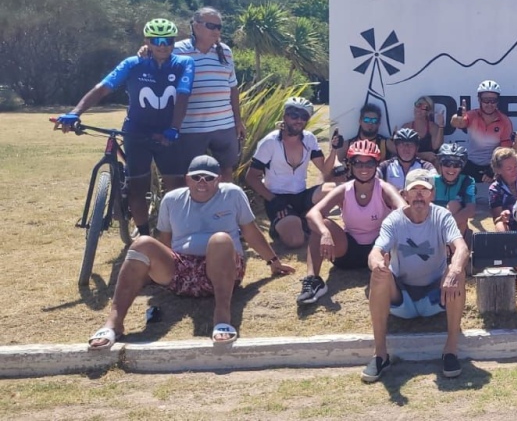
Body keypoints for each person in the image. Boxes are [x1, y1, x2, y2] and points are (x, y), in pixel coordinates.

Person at [86, 155, 294, 349]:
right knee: (142, 243)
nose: (202, 183)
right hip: (182, 270)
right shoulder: (172, 199)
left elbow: (250, 231)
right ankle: (114, 323)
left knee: (220, 239)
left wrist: (273, 261)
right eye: (196, 177)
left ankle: (222, 317)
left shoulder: (233, 194)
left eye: (208, 178)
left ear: (218, 179)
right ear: (187, 179)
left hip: (223, 269)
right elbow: (164, 242)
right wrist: (151, 271)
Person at [56, 18, 194, 236]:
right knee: (137, 188)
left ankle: (177, 234)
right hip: (136, 131)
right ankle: (144, 235)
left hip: (167, 133)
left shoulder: (184, 64)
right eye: (157, 39)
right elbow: (102, 88)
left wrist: (175, 128)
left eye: (168, 39)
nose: (162, 44)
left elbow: (183, 95)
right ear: (147, 41)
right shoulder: (132, 63)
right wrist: (75, 113)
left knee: (175, 187)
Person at [362, 168, 469, 382]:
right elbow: (375, 251)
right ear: (405, 194)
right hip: (402, 295)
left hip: (435, 294)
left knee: (458, 271)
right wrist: (376, 263)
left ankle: (450, 350)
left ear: (432, 193)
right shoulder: (394, 220)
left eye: (425, 190)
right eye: (414, 190)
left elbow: (461, 248)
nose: (419, 195)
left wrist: (455, 269)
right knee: (379, 275)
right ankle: (380, 354)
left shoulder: (442, 216)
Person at [297, 140, 407, 305]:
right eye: (358, 163)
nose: (364, 168)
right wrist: (325, 233)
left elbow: (404, 209)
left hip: (379, 250)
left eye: (369, 163)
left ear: (376, 165)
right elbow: (313, 213)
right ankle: (313, 281)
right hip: (348, 251)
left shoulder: (384, 188)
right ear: (350, 165)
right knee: (320, 224)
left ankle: (405, 278)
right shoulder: (344, 190)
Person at [245, 97, 338, 248]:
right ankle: (284, 226)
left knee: (339, 189)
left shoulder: (309, 139)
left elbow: (325, 170)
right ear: (285, 116)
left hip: (301, 195)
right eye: (294, 115)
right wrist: (273, 200)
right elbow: (251, 177)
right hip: (278, 199)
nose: (299, 120)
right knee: (296, 241)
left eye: (304, 117)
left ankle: (305, 219)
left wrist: (334, 149)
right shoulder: (270, 142)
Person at [169, 7, 244, 186]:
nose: (217, 31)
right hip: (191, 127)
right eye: (211, 26)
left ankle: (225, 209)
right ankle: (191, 212)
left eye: (219, 27)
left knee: (226, 170)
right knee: (189, 173)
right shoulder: (177, 51)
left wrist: (238, 121)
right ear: (196, 26)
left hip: (224, 125)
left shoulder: (225, 52)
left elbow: (232, 87)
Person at [450, 80, 513, 182]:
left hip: (492, 165)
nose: (489, 104)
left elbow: (505, 151)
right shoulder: (472, 115)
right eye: (485, 100)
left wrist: (493, 170)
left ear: (498, 101)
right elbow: (456, 123)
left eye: (493, 100)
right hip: (470, 162)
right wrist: (458, 116)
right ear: (479, 100)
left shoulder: (505, 121)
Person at [433, 143, 477, 234]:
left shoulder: (467, 180)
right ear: (440, 164)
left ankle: (453, 247)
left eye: (457, 165)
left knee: (456, 206)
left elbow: (470, 210)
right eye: (447, 163)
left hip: (453, 227)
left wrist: (446, 225)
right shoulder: (431, 181)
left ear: (462, 166)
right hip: (432, 224)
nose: (451, 168)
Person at [402, 96, 445, 164]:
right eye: (418, 105)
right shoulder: (406, 127)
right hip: (410, 163)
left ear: (429, 112)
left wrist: (441, 126)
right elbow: (401, 152)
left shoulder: (433, 127)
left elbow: (436, 147)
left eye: (425, 108)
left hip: (429, 164)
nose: (420, 109)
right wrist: (423, 155)